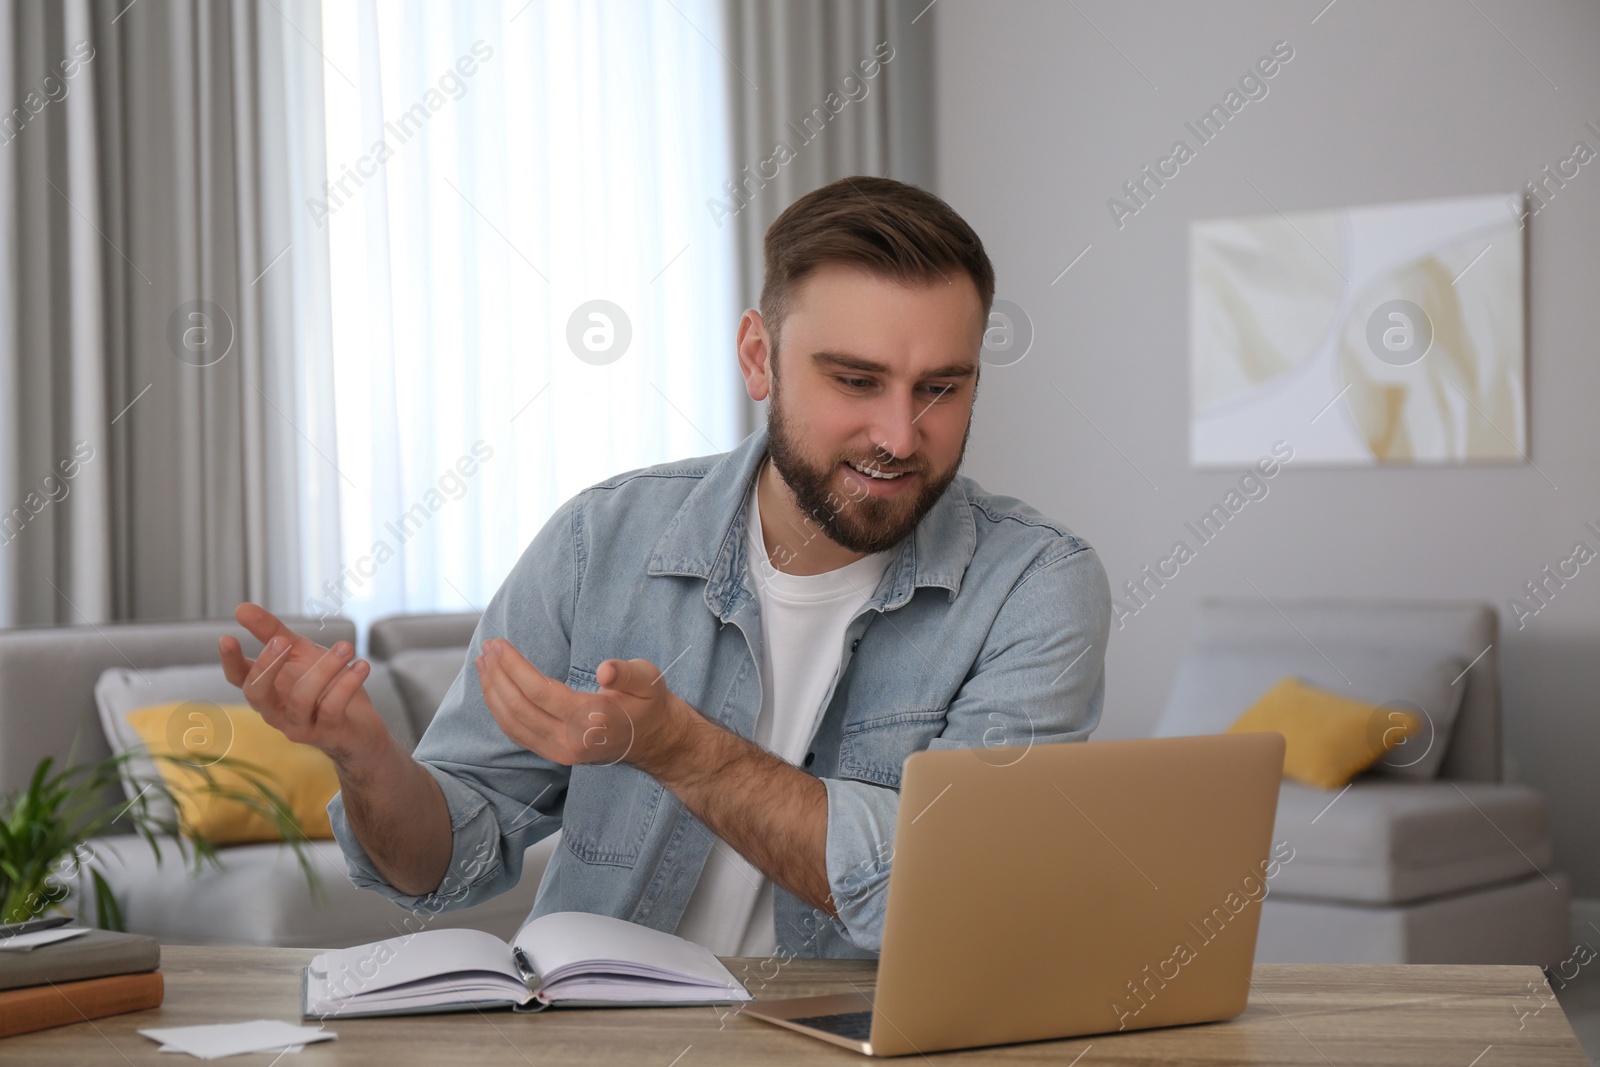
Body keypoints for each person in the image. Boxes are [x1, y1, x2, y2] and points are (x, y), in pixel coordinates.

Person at [219, 175, 1111, 960]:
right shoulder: (599, 541)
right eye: (855, 380)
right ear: (759, 357)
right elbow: (441, 867)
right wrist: (367, 757)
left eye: (940, 388)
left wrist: (680, 750)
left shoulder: (1036, 587)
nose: (898, 434)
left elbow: (951, 889)